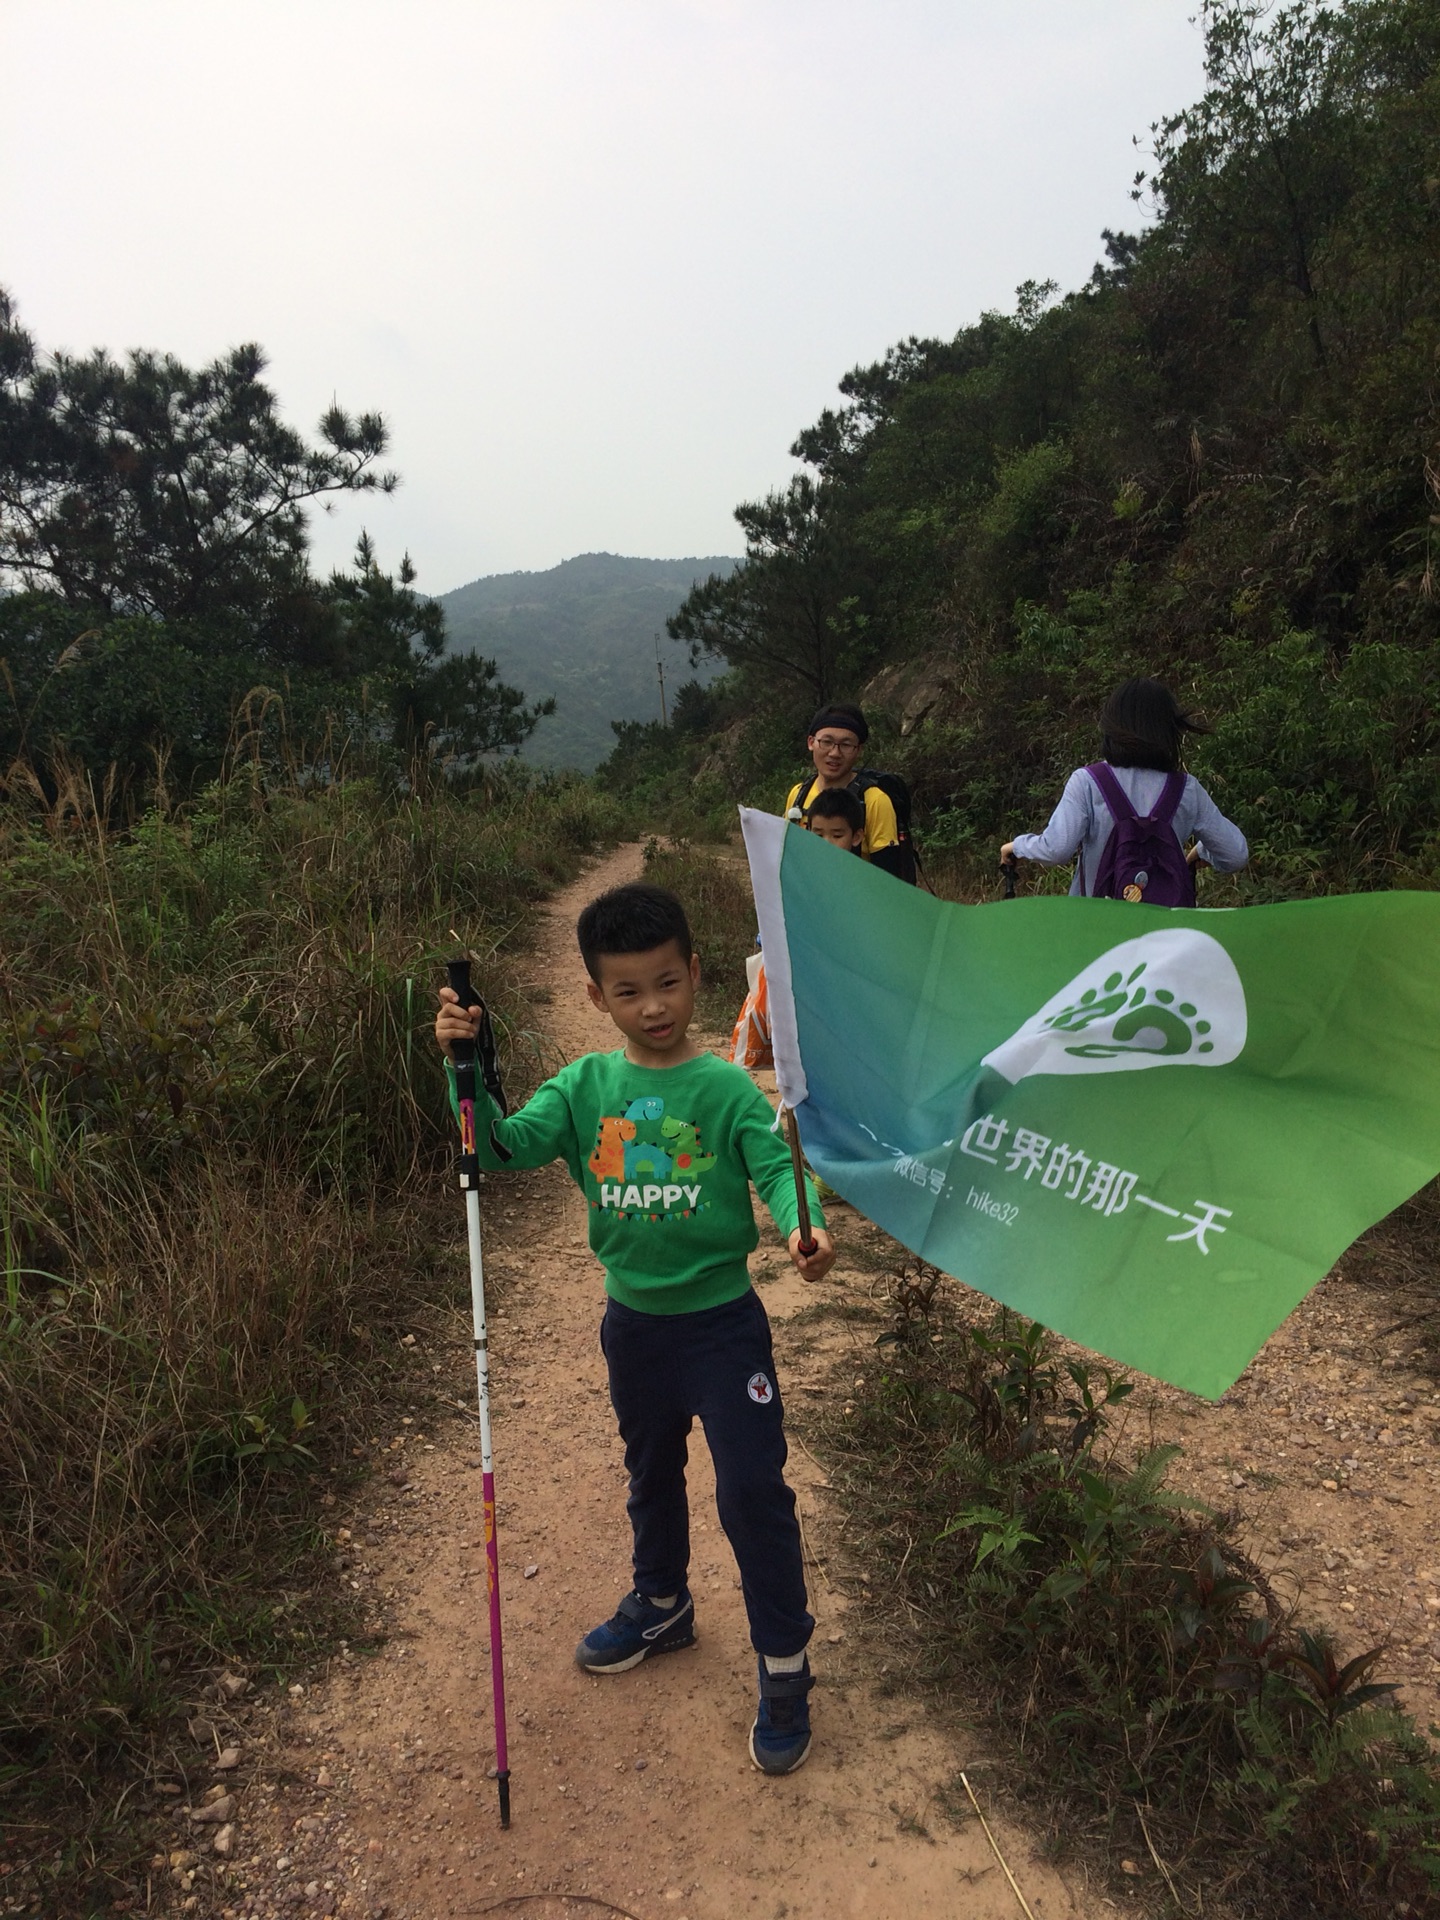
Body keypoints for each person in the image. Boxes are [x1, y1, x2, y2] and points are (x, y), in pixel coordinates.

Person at [435, 883, 836, 1776]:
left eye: (667, 983)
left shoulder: (726, 1088)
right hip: (635, 1328)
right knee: (649, 1471)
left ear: (696, 974)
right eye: (627, 991)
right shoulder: (585, 1087)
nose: (653, 1007)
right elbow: (499, 1147)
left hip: (724, 1330)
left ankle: (785, 1664)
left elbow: (778, 1174)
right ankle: (661, 1602)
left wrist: (803, 1225)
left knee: (750, 1495)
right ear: (595, 997)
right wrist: (466, 1067)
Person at [1000, 678, 1248, 898]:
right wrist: (1199, 852)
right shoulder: (1187, 790)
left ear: (1113, 727)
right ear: (1168, 730)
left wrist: (1017, 846)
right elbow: (1235, 855)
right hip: (1160, 938)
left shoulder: (1088, 782)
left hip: (1095, 933)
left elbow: (1056, 850)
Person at [729, 787, 866, 1070]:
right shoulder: (797, 878)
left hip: (840, 993)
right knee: (794, 1063)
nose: (826, 842)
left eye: (836, 835)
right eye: (818, 834)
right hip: (800, 989)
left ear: (858, 836)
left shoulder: (862, 885)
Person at [784, 703, 904, 876]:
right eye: (826, 742)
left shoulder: (874, 801)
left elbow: (888, 879)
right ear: (811, 742)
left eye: (846, 745)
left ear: (859, 750)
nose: (834, 753)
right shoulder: (798, 794)